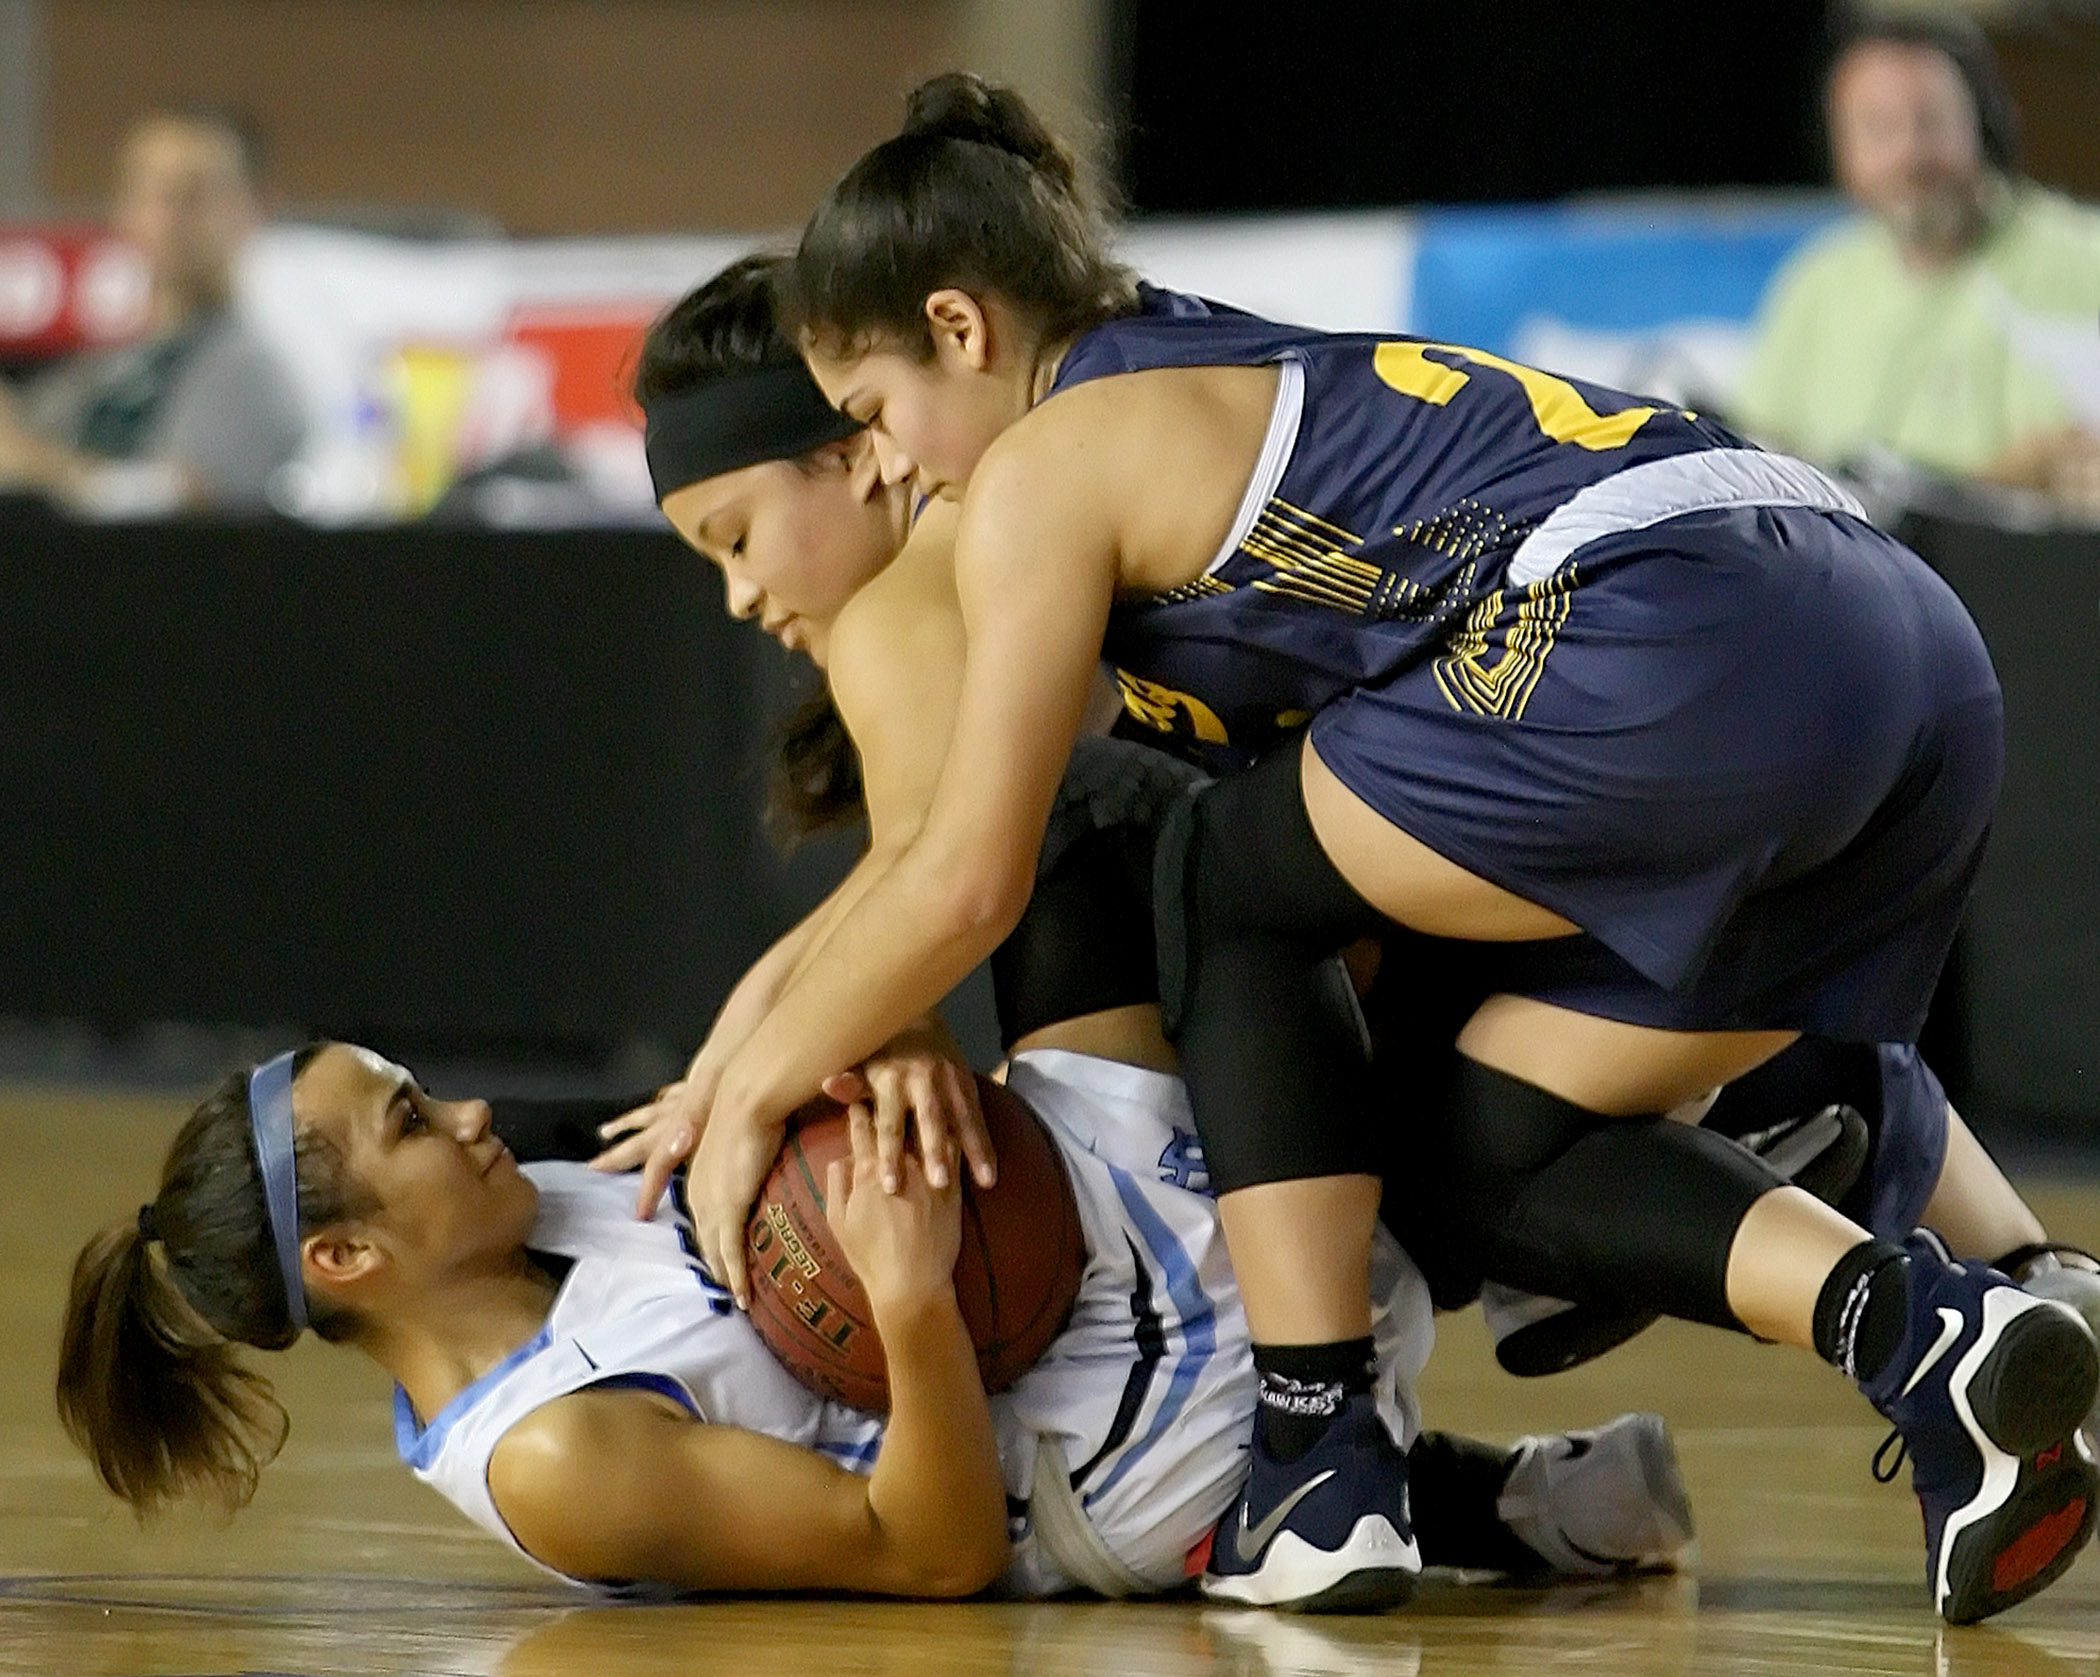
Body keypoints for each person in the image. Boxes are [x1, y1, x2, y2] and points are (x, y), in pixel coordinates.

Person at [622, 75, 2096, 1624]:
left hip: (1658, 623)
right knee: (1492, 1140)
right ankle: (1960, 1326)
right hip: (1894, 636)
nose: (891, 461)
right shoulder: (1190, 354)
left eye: (872, 418)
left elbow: (953, 874)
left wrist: (763, 1079)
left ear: (963, 328)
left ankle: (1319, 1454)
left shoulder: (1037, 470)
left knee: (1220, 884)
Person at [55, 1037, 1695, 1599]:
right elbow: (926, 1556)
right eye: (414, 1119)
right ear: (346, 1263)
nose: (471, 1110)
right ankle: (1679, 1228)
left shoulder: (526, 1209)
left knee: (1272, 1072)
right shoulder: (557, 1456)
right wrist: (907, 1297)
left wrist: (887, 1035)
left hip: (1066, 1339)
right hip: (1097, 1464)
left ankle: (1505, 1480)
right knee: (1305, 1134)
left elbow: (789, 1112)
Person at [1733, 14, 2100, 514]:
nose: (1909, 155)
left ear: (1985, 125)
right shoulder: (1815, 281)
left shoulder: (2086, 258)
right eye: (1877, 128)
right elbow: (1759, 462)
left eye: (1932, 122)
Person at [0, 103, 305, 515]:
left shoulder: (249, 367)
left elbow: (172, 503)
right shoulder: (110, 363)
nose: (166, 216)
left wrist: (32, 464)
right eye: (147, 190)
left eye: (193, 195)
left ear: (254, 208)